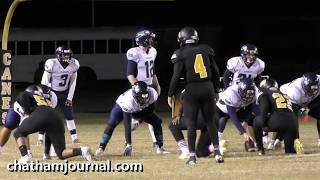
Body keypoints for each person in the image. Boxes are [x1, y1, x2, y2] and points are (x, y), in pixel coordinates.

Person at [168, 26, 223, 165]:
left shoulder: (180, 53)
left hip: (192, 88)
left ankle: (192, 157)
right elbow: (216, 71)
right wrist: (216, 89)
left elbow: (176, 76)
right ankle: (217, 153)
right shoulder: (206, 49)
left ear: (181, 39)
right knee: (210, 121)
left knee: (191, 123)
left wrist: (170, 93)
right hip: (208, 87)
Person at [10, 84, 94, 163]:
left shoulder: (28, 95)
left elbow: (22, 95)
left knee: (18, 132)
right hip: (56, 117)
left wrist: (27, 113)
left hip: (41, 113)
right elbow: (48, 132)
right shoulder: (44, 100)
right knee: (61, 153)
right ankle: (82, 150)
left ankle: (25, 157)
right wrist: (46, 153)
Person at [95, 81, 167, 157]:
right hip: (121, 106)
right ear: (135, 95)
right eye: (141, 97)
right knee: (112, 123)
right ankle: (101, 148)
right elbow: (127, 125)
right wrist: (129, 144)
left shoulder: (152, 93)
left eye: (145, 96)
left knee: (157, 121)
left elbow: (151, 110)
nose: (143, 100)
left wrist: (139, 120)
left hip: (139, 110)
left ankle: (160, 147)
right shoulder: (128, 100)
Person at [219, 43, 265, 142]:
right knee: (225, 114)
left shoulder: (259, 65)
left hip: (249, 91)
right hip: (236, 91)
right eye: (248, 54)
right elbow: (226, 76)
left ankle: (263, 137)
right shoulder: (236, 62)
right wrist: (228, 90)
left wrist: (256, 89)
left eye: (253, 55)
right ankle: (217, 137)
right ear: (243, 54)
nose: (251, 57)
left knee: (259, 112)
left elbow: (257, 78)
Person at [126, 29, 161, 148]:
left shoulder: (153, 51)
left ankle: (156, 142)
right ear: (144, 40)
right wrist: (137, 87)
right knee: (144, 114)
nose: (152, 40)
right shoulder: (134, 52)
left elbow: (153, 71)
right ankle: (129, 140)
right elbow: (130, 74)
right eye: (150, 38)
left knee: (151, 113)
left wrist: (157, 85)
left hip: (150, 86)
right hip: (140, 87)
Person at [0, 85, 57, 157]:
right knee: (10, 125)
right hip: (20, 110)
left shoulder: (53, 97)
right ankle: (26, 152)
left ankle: (47, 152)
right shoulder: (25, 100)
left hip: (35, 111)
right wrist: (26, 114)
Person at [38, 46, 80, 144]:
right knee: (46, 115)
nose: (66, 56)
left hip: (64, 92)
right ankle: (40, 137)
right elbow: (45, 80)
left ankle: (74, 137)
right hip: (52, 92)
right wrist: (46, 94)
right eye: (64, 54)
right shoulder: (52, 63)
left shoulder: (74, 64)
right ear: (58, 55)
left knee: (69, 115)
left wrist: (70, 97)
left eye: (68, 55)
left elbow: (73, 82)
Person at [254, 78, 304, 155]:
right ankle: (292, 146)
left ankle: (260, 149)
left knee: (256, 121)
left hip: (279, 120)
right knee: (289, 151)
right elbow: (294, 110)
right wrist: (296, 134)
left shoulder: (265, 93)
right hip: (292, 123)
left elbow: (265, 107)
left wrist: (263, 125)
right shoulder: (284, 93)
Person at [215, 78, 257, 152]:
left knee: (253, 117)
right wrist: (243, 132)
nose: (247, 97)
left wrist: (246, 121)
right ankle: (216, 142)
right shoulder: (232, 93)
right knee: (222, 120)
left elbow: (250, 110)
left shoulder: (253, 94)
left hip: (236, 108)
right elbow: (232, 115)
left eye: (249, 95)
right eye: (246, 94)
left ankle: (256, 140)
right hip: (220, 108)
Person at [279, 72, 320, 146]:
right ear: (304, 85)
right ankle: (278, 140)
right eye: (310, 89)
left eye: (314, 89)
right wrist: (304, 110)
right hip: (286, 96)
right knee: (290, 120)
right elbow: (296, 111)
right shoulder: (294, 91)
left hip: (306, 99)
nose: (313, 91)